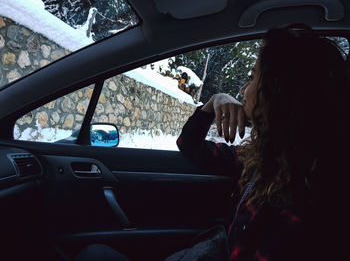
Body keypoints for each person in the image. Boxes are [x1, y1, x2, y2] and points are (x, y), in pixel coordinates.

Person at [75, 24, 347, 261]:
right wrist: (212, 103)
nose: (243, 90)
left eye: (252, 78)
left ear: (279, 93)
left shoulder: (309, 199)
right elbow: (190, 145)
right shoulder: (264, 158)